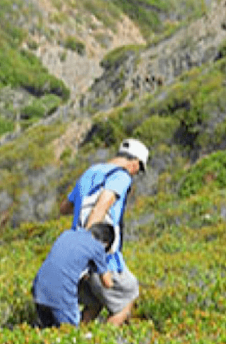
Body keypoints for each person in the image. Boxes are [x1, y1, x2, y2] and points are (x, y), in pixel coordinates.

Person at [60, 138, 148, 325]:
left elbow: (65, 207)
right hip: (103, 258)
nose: (136, 174)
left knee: (94, 304)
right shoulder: (121, 177)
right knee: (128, 298)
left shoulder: (89, 173)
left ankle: (77, 342)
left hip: (77, 257)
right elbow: (101, 206)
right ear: (135, 162)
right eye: (139, 170)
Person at [31, 222, 118, 328]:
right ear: (106, 243)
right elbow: (107, 283)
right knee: (70, 335)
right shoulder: (97, 247)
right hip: (60, 294)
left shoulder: (68, 234)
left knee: (47, 330)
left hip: (39, 289)